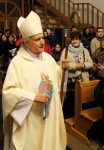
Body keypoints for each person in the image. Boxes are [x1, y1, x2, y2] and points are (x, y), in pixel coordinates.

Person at [2, 11, 66, 150]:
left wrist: (61, 68)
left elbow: (54, 77)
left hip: (48, 116)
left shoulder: (48, 58)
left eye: (42, 38)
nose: (42, 42)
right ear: (26, 42)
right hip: (30, 119)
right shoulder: (17, 63)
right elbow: (9, 93)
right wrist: (32, 97)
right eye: (37, 39)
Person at [61, 31, 93, 118]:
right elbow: (63, 65)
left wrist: (83, 65)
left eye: (77, 39)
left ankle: (80, 122)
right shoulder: (66, 51)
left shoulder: (85, 50)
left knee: (82, 103)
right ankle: (69, 121)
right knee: (71, 103)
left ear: (80, 40)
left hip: (83, 81)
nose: (75, 41)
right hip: (71, 82)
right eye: (73, 39)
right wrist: (75, 66)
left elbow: (91, 63)